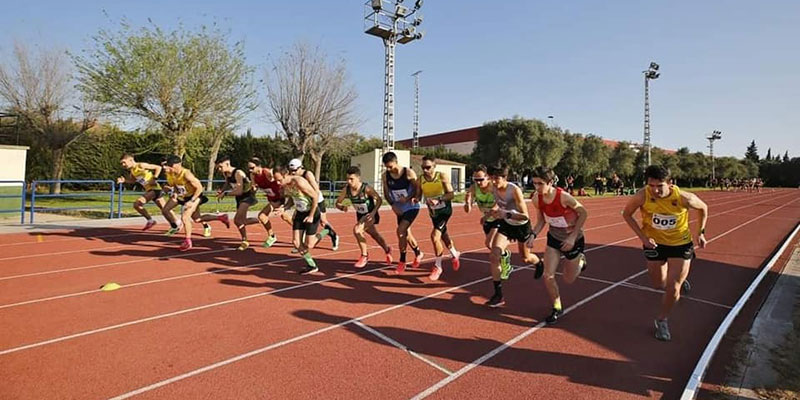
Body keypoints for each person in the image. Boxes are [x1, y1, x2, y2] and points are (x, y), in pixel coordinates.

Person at [622, 165, 708, 341]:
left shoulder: (685, 198)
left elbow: (703, 209)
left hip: (680, 244)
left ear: (670, 183)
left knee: (673, 286)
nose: (654, 190)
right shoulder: (642, 196)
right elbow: (627, 214)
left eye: (659, 186)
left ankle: (662, 320)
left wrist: (701, 232)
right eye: (651, 185)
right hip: (654, 245)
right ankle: (678, 279)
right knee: (657, 283)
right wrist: (643, 238)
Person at [530, 167, 589, 324]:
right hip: (554, 239)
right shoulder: (537, 198)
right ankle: (557, 306)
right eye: (534, 183)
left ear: (550, 183)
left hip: (573, 240)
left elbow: (583, 213)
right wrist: (533, 235)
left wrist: (573, 236)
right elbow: (541, 220)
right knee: (548, 275)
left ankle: (581, 260)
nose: (537, 187)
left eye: (540, 183)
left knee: (569, 279)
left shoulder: (564, 197)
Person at [485, 163, 544, 308]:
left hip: (521, 226)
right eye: (492, 178)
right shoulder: (493, 188)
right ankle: (498, 295)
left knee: (525, 257)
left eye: (497, 179)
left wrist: (507, 214)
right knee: (494, 255)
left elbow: (524, 216)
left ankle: (538, 263)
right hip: (506, 225)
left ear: (505, 178)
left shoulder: (514, 190)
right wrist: (491, 212)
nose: (493, 182)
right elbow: (498, 204)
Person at [160, 155, 230, 251]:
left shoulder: (186, 174)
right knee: (196, 219)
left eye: (170, 165)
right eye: (167, 165)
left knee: (185, 217)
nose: (167, 167)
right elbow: (175, 185)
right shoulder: (171, 174)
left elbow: (199, 188)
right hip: (184, 196)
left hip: (195, 196)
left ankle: (188, 241)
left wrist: (192, 200)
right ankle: (221, 217)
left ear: (177, 165)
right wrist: (175, 193)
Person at [334, 166, 392, 268]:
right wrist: (342, 207)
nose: (349, 181)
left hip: (370, 215)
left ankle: (364, 256)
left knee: (357, 230)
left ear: (358, 178)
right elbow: (337, 203)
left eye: (351, 179)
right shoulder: (346, 190)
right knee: (375, 235)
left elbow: (379, 200)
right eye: (347, 179)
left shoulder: (366, 189)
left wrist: (373, 212)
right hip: (360, 215)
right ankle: (387, 250)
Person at [464, 164, 512, 279]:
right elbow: (467, 210)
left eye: (481, 179)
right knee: (491, 246)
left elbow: (499, 204)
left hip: (498, 218)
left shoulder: (493, 188)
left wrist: (488, 214)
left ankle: (504, 264)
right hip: (488, 220)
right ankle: (505, 255)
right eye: (476, 180)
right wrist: (467, 202)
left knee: (490, 243)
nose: (478, 182)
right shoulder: (474, 188)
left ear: (488, 177)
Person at [382, 151, 424, 274]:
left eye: (391, 166)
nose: (389, 169)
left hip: (411, 207)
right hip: (399, 208)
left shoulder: (408, 173)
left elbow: (417, 188)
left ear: (396, 162)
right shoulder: (386, 175)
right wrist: (393, 205)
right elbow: (386, 193)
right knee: (406, 234)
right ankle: (418, 253)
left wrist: (409, 197)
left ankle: (402, 260)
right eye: (387, 167)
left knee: (400, 231)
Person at [419, 156, 461, 281]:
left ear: (434, 166)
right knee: (444, 235)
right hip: (433, 213)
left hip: (444, 211)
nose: (425, 170)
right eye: (423, 168)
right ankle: (455, 253)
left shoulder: (441, 176)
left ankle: (438, 266)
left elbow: (451, 194)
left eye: (428, 167)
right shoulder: (420, 179)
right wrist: (415, 198)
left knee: (434, 236)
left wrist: (439, 199)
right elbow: (418, 194)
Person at [275, 166, 322, 275]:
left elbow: (315, 196)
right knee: (296, 242)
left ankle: (326, 231)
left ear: (286, 175)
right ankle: (312, 265)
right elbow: (292, 199)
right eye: (276, 180)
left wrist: (311, 215)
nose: (278, 183)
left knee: (310, 245)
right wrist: (284, 208)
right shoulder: (285, 185)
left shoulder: (299, 181)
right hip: (300, 213)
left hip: (312, 212)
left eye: (279, 180)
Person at [116, 153, 179, 232]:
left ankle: (150, 221)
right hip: (149, 190)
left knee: (137, 204)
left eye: (124, 162)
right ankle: (177, 223)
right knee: (165, 209)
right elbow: (133, 181)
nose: (123, 165)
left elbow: (158, 168)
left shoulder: (141, 165)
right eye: (122, 163)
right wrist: (124, 181)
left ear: (131, 160)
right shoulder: (132, 171)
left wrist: (154, 178)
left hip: (155, 189)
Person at [288, 159, 340, 251]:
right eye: (291, 170)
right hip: (306, 202)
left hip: (317, 200)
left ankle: (333, 235)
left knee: (323, 222)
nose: (292, 173)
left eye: (295, 170)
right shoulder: (292, 177)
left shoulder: (307, 174)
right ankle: (301, 244)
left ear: (300, 168)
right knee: (302, 220)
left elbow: (316, 189)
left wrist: (313, 202)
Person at [215, 156, 258, 251]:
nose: (219, 169)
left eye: (220, 167)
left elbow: (239, 191)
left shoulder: (238, 173)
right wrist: (222, 190)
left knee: (237, 220)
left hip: (247, 196)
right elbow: (227, 183)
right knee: (240, 221)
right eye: (218, 167)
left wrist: (225, 193)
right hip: (239, 198)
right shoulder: (226, 173)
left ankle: (260, 221)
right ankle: (245, 240)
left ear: (227, 164)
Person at [247, 157, 292, 247]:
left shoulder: (267, 172)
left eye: (252, 168)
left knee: (284, 216)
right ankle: (272, 236)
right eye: (248, 168)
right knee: (263, 217)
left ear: (259, 166)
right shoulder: (253, 176)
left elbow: (279, 177)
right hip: (271, 199)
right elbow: (254, 187)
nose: (250, 170)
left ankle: (300, 232)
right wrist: (253, 190)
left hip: (279, 197)